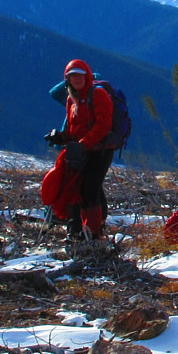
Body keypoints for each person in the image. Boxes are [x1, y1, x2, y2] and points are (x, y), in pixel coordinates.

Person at [57, 59, 114, 241]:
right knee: (84, 189)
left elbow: (103, 125)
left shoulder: (98, 94)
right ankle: (85, 230)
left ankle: (94, 234)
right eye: (72, 76)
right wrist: (61, 137)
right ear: (68, 79)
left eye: (80, 75)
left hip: (101, 150)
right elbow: (73, 129)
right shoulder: (71, 99)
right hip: (84, 150)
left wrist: (83, 143)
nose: (77, 79)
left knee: (90, 189)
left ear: (87, 75)